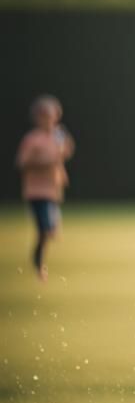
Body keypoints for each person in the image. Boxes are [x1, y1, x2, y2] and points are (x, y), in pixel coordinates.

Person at [16, 95, 75, 282]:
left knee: (47, 230)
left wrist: (64, 146)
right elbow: (22, 162)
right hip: (36, 191)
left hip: (53, 189)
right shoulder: (32, 139)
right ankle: (39, 263)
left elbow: (67, 151)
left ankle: (39, 259)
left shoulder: (58, 135)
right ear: (38, 118)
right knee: (45, 229)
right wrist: (44, 162)